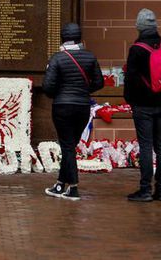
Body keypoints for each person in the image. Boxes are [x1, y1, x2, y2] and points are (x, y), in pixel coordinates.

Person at [124, 8, 161, 203]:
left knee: (146, 146)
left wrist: (131, 100)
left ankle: (145, 189)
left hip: (143, 106)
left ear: (139, 27)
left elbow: (131, 79)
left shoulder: (137, 49)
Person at [42, 23, 104, 201]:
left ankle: (74, 187)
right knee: (69, 146)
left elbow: (48, 86)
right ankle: (61, 184)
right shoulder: (90, 57)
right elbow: (99, 82)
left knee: (67, 146)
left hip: (62, 106)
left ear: (62, 39)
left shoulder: (57, 58)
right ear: (80, 39)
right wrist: (84, 90)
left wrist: (59, 93)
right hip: (83, 107)